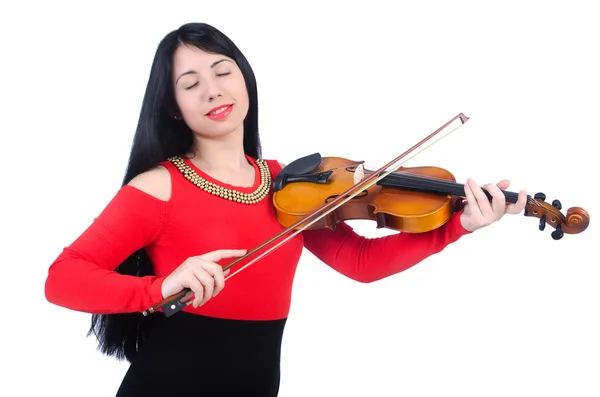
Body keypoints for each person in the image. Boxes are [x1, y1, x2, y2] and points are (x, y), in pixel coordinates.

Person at [44, 22, 527, 396]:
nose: (213, 90)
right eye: (190, 83)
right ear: (173, 107)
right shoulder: (159, 187)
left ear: (245, 78)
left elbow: (359, 262)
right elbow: (61, 278)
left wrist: (456, 225)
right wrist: (161, 287)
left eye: (223, 71)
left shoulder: (289, 186)